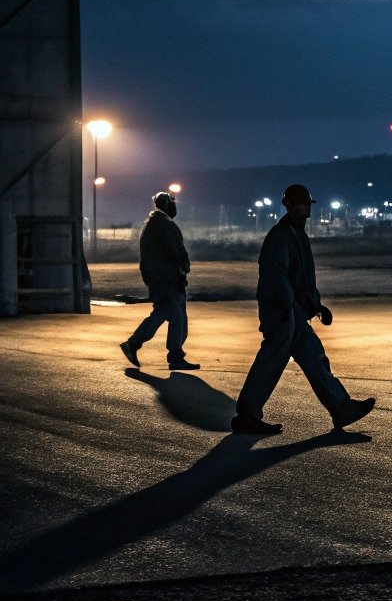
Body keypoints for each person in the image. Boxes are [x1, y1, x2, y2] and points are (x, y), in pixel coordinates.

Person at [231, 183, 375, 435]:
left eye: (307, 203)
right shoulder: (282, 235)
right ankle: (247, 415)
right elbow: (275, 274)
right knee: (270, 363)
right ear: (288, 205)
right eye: (301, 202)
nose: (306, 207)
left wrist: (316, 305)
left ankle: (341, 407)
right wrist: (288, 307)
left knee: (315, 358)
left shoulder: (296, 233)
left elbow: (301, 278)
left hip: (294, 312)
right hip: (283, 313)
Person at [120, 191, 198, 370]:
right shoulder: (166, 225)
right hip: (168, 279)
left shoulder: (150, 223)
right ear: (167, 205)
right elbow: (176, 252)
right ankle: (167, 353)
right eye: (172, 204)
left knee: (166, 313)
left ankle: (142, 346)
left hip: (158, 278)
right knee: (175, 315)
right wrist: (183, 268)